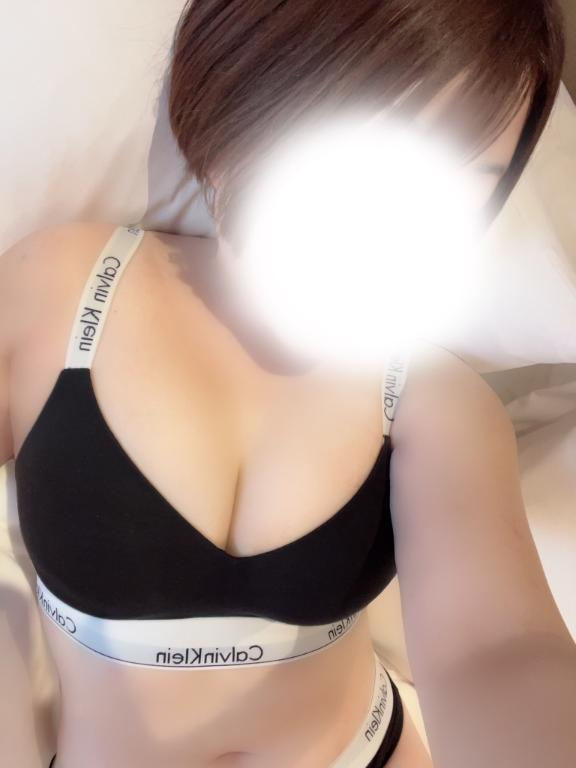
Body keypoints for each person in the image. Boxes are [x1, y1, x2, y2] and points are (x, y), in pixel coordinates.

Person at [1, 2, 575, 767]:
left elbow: (499, 648)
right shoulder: (60, 294)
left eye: (462, 188)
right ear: (236, 97)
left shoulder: (434, 398)